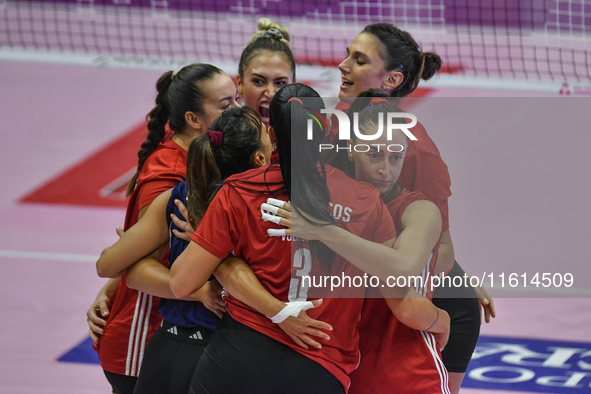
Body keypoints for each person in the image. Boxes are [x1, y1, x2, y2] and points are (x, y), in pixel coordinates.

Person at [169, 83, 449, 394]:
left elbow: (180, 284)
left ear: (271, 134)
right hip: (320, 366)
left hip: (239, 355)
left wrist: (217, 252)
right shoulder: (366, 200)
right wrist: (444, 318)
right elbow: (399, 287)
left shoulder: (238, 190)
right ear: (328, 131)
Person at [333, 23, 495, 392]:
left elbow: (440, 250)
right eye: (348, 54)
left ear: (390, 79)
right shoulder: (346, 116)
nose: (343, 65)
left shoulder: (416, 149)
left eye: (358, 60)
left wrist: (455, 282)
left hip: (430, 308)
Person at [95, 107, 272, 394]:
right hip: (217, 352)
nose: (270, 136)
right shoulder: (258, 208)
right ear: (259, 157)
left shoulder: (182, 194)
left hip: (164, 349)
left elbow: (109, 266)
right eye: (266, 134)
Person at [88, 63, 238, 394]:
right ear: (194, 119)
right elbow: (133, 266)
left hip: (173, 334)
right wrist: (199, 292)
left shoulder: (198, 152)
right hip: (141, 338)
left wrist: (108, 290)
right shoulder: (171, 177)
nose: (239, 110)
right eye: (227, 106)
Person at [237, 17, 295, 130]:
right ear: (240, 83)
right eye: (258, 81)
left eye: (280, 83)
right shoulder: (223, 139)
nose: (270, 93)